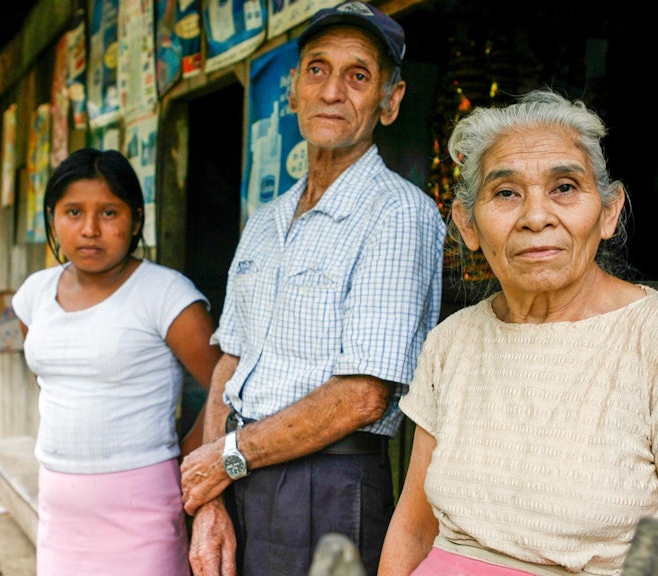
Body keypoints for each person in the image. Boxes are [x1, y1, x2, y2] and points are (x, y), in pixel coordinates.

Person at [378, 89, 658, 576]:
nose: (537, 217)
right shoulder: (452, 341)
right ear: (468, 224)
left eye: (565, 188)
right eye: (506, 193)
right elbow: (413, 529)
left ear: (610, 212)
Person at [179, 2, 447, 574]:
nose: (332, 92)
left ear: (390, 101)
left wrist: (222, 460)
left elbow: (362, 396)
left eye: (358, 75)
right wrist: (212, 499)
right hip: (238, 475)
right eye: (317, 70)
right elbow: (230, 363)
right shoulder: (265, 220)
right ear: (293, 91)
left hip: (323, 485)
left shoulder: (398, 215)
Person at [10, 147, 221, 575]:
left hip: (142, 505)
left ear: (135, 219)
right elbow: (56, 385)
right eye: (73, 212)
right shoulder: (34, 295)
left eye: (109, 213)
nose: (89, 229)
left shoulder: (166, 295)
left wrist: (188, 457)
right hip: (58, 505)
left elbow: (227, 387)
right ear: (52, 217)